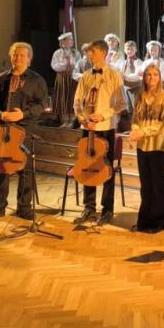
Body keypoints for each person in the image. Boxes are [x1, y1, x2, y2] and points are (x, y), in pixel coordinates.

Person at [0, 42, 48, 223]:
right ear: (11, 57)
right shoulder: (0, 79)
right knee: (0, 167)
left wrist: (23, 114)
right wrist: (0, 113)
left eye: (22, 55)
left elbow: (41, 104)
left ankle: (24, 208)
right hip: (2, 129)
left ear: (29, 59)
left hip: (24, 130)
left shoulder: (37, 80)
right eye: (15, 55)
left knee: (24, 169)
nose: (18, 58)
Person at [73, 40, 126, 226]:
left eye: (93, 52)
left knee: (106, 169)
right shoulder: (86, 76)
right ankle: (89, 207)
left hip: (105, 128)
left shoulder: (114, 75)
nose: (89, 55)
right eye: (89, 52)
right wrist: (82, 118)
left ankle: (107, 209)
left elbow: (122, 104)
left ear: (103, 53)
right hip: (87, 128)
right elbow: (77, 102)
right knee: (86, 165)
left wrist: (103, 115)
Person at [129, 65, 164, 233]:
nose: (152, 77)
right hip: (142, 146)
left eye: (155, 75)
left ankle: (158, 222)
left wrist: (143, 132)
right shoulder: (139, 96)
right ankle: (143, 221)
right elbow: (135, 119)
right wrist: (134, 131)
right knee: (145, 185)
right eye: (148, 75)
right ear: (144, 77)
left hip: (158, 145)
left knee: (157, 185)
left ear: (159, 77)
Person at [51, 32, 80, 127]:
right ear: (63, 41)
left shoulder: (75, 52)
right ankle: (64, 120)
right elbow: (54, 65)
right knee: (63, 97)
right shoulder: (57, 53)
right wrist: (65, 65)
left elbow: (78, 64)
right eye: (69, 39)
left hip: (72, 77)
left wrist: (72, 64)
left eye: (72, 39)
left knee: (72, 97)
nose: (72, 41)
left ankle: (72, 120)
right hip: (62, 78)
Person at [116, 40, 143, 117]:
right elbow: (118, 71)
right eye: (128, 49)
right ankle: (132, 122)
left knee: (137, 108)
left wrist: (125, 76)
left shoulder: (138, 62)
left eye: (132, 49)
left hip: (136, 88)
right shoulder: (123, 62)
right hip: (126, 88)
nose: (129, 51)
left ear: (136, 50)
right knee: (129, 109)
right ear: (124, 50)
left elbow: (138, 76)